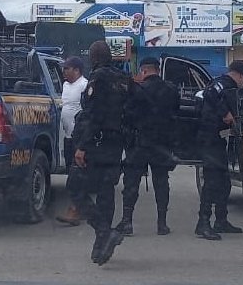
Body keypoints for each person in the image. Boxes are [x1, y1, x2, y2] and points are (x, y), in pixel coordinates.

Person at [195, 60, 243, 240]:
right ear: (240, 75)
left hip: (220, 139)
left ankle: (221, 220)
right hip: (210, 138)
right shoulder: (221, 83)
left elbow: (237, 108)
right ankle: (203, 223)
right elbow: (209, 94)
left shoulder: (231, 89)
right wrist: (224, 113)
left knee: (224, 182)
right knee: (212, 181)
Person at [74, 40, 131, 266]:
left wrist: (82, 146)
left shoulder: (98, 80)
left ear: (93, 57)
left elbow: (94, 115)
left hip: (96, 144)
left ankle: (104, 231)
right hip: (116, 145)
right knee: (107, 192)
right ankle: (101, 246)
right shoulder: (124, 80)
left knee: (76, 189)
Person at [115, 57, 180, 236]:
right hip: (161, 144)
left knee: (131, 182)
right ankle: (162, 224)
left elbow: (126, 115)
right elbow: (176, 116)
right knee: (161, 182)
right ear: (158, 70)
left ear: (143, 71)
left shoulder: (136, 90)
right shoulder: (172, 90)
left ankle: (127, 221)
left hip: (139, 143)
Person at [55, 56, 89, 225]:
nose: (64, 71)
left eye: (67, 68)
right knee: (72, 172)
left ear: (77, 70)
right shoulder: (66, 86)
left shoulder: (84, 85)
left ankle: (77, 210)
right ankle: (82, 208)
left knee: (78, 176)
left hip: (80, 138)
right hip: (68, 137)